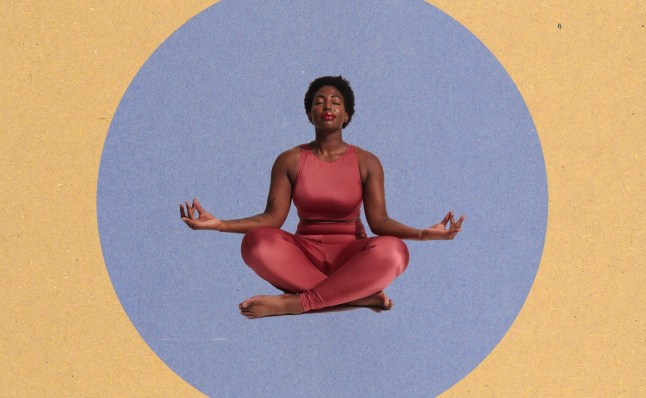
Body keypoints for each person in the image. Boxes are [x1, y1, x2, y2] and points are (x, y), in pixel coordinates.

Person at [180, 76, 464, 319]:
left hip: (353, 257)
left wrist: (423, 234)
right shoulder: (290, 159)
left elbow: (379, 221)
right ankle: (356, 296)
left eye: (336, 102)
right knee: (255, 242)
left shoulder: (367, 162)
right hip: (304, 255)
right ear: (309, 114)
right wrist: (219, 224)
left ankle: (298, 303)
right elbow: (271, 219)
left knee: (395, 252)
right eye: (319, 101)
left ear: (347, 115)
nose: (327, 106)